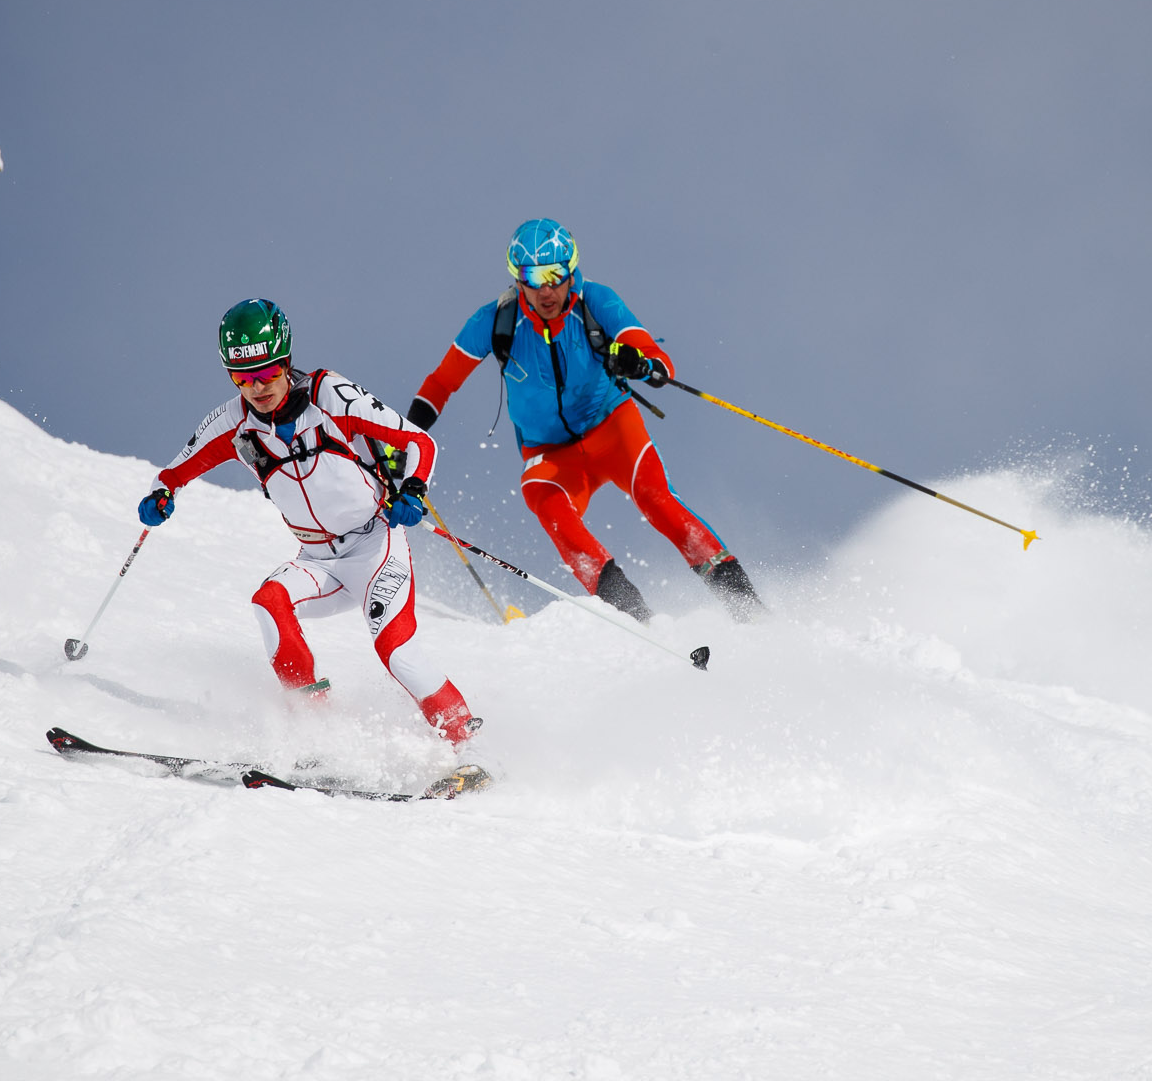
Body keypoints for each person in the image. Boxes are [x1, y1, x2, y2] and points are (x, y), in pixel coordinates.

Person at [139, 298, 478, 745]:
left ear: (285, 361)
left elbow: (418, 442)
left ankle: (469, 746)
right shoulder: (233, 423)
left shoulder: (330, 396)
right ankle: (318, 733)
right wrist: (162, 493)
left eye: (267, 373)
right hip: (317, 559)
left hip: (374, 547)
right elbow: (177, 469)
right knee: (269, 602)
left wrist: (413, 489)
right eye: (243, 378)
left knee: (397, 652)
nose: (257, 387)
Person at [406, 219, 764, 623]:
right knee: (543, 499)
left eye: (556, 275)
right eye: (533, 277)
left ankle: (747, 608)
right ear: (517, 278)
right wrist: (404, 436)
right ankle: (637, 619)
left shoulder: (597, 301)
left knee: (657, 499)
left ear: (571, 270)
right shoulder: (495, 321)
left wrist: (639, 363)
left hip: (612, 427)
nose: (546, 289)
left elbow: (657, 361)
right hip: (551, 452)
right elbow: (440, 384)